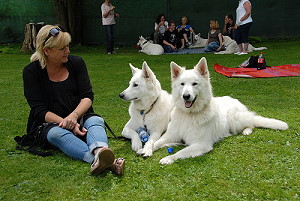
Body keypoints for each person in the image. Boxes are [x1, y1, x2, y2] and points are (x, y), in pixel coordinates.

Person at [21, 25, 125, 176]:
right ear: (46, 51)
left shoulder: (77, 63)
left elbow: (87, 96)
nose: (67, 51)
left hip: (79, 115)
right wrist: (67, 123)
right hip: (51, 123)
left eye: (68, 46)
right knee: (55, 134)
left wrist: (74, 116)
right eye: (62, 48)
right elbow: (39, 110)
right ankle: (106, 162)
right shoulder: (31, 72)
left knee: (96, 121)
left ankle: (100, 151)